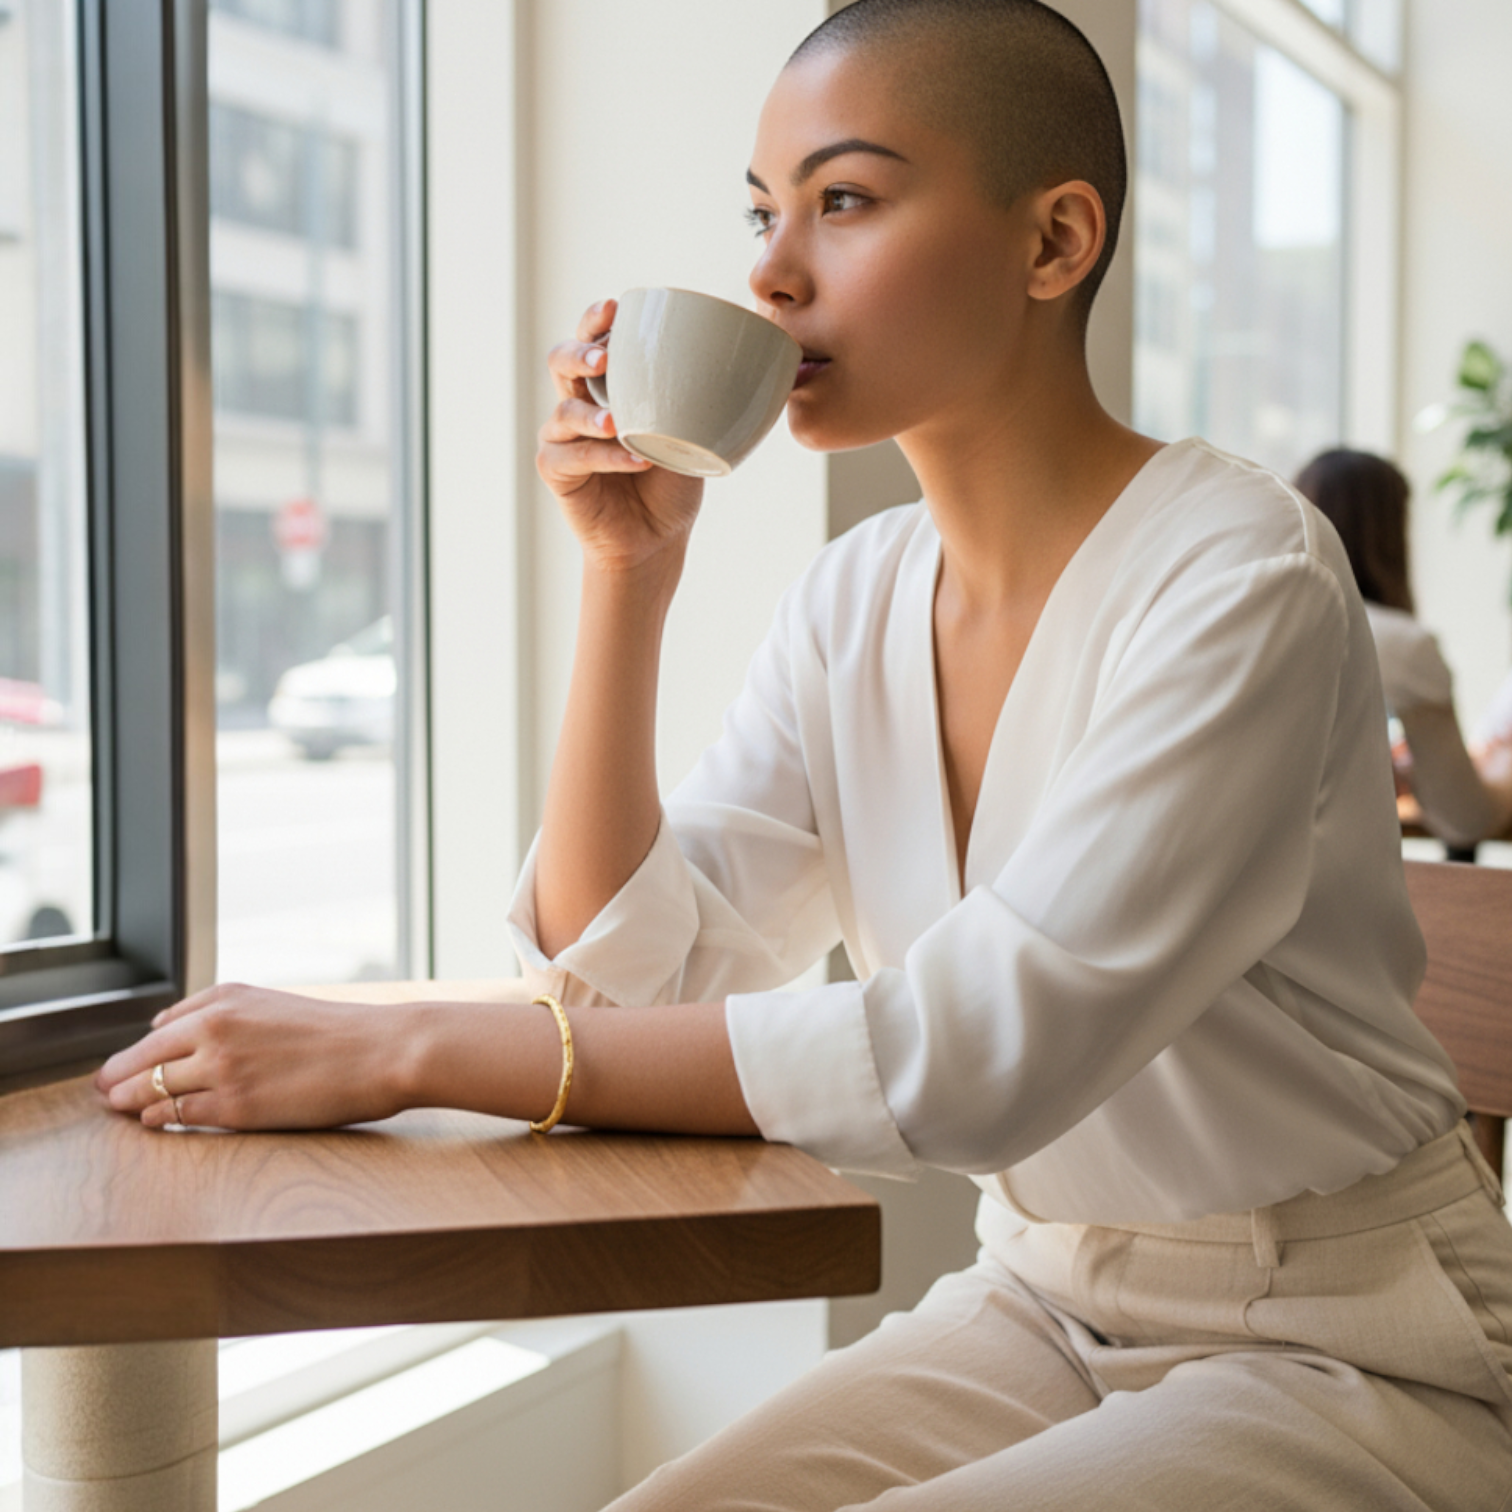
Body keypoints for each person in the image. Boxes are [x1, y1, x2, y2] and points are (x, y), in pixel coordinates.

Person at [97, 2, 1512, 1506]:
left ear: (1054, 242)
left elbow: (976, 1052)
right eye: (762, 212)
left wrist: (408, 1047)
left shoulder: (1242, 577)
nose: (772, 273)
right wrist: (628, 577)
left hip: (1348, 1338)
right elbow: (628, 982)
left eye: (844, 201)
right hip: (1043, 1294)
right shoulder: (856, 597)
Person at [1293, 447, 1512, 850]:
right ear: (1390, 533)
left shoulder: (1263, 615)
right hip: (1337, 873)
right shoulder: (1403, 645)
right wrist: (1505, 771)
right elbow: (1462, 819)